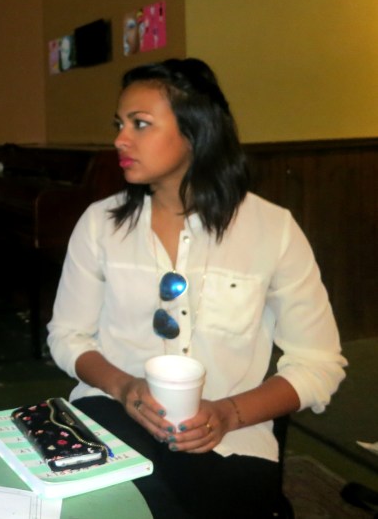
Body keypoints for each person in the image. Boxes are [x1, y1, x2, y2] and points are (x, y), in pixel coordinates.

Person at [46, 58, 346, 519]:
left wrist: (228, 413)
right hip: (111, 419)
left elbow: (319, 363)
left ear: (196, 131)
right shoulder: (100, 224)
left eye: (140, 124)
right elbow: (68, 336)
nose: (120, 139)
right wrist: (125, 388)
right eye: (119, 125)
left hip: (233, 439)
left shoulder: (272, 229)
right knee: (132, 499)